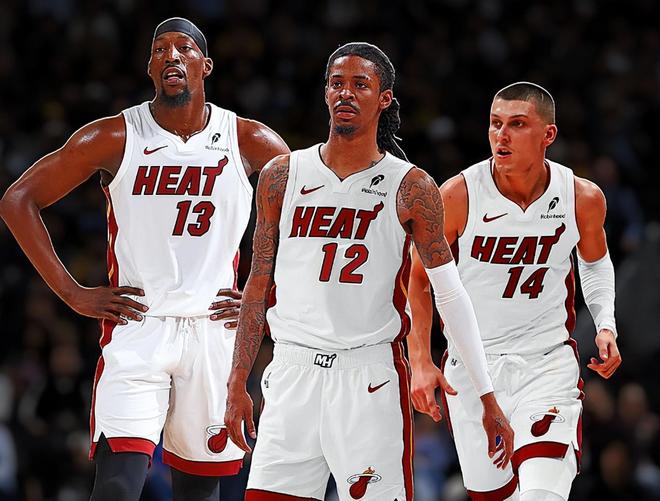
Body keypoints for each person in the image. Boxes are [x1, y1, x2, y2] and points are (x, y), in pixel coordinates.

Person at [0, 17, 289, 501]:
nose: (171, 55)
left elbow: (310, 217)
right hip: (138, 326)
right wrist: (72, 293)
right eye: (160, 49)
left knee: (199, 493)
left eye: (183, 48)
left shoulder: (249, 139)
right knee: (116, 487)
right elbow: (17, 200)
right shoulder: (115, 135)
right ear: (151, 68)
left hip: (213, 331)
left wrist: (268, 297)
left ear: (205, 65)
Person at [224, 42, 514, 501]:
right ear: (325, 93)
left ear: (384, 98)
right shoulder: (282, 174)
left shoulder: (411, 186)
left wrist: (486, 394)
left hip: (368, 376)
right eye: (337, 83)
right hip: (292, 371)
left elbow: (450, 294)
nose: (346, 93)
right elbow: (257, 284)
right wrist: (236, 382)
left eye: (360, 84)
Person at [407, 82, 623, 501]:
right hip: (473, 371)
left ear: (548, 134)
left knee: (542, 493)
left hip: (546, 364)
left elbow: (595, 261)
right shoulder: (457, 195)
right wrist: (420, 359)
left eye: (517, 124)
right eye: (495, 124)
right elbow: (417, 276)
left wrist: (605, 323)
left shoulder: (581, 197)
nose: (501, 135)